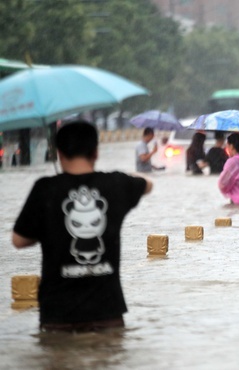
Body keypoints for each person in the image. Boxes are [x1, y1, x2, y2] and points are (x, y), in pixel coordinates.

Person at [11, 121, 153, 332]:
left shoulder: (45, 188)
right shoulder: (115, 184)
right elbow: (148, 185)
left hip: (58, 316)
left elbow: (19, 240)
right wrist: (122, 177)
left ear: (58, 153)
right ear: (96, 151)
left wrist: (50, 226)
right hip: (107, 314)